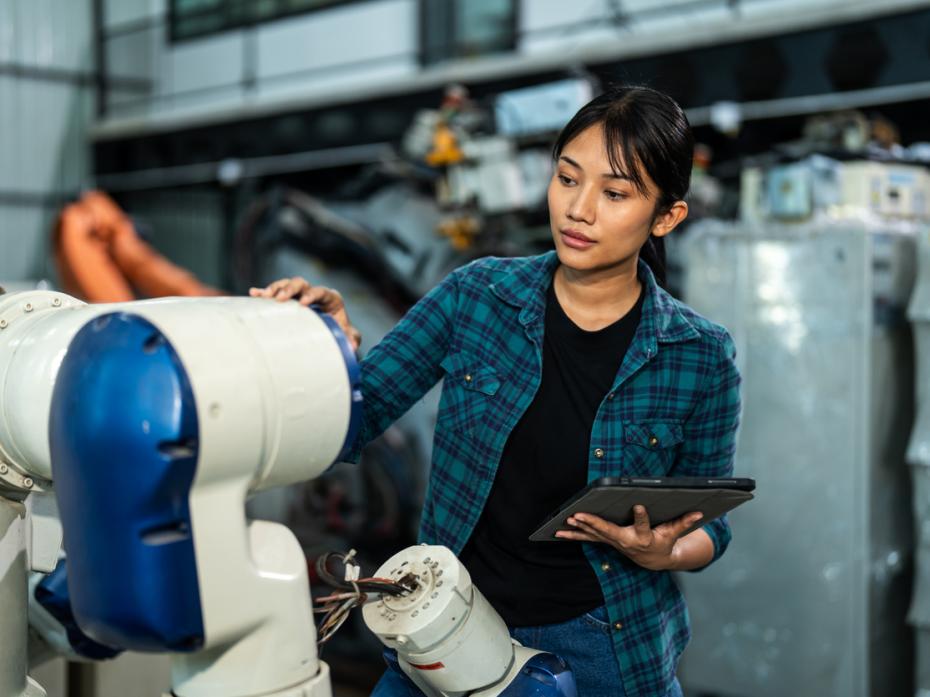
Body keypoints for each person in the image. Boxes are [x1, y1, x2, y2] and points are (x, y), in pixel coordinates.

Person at [251, 85, 742, 697]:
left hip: (603, 647)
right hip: (445, 625)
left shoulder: (699, 354)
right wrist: (327, 347)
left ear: (666, 217)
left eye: (614, 194)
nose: (579, 209)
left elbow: (710, 527)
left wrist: (664, 551)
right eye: (567, 179)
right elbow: (360, 413)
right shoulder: (476, 297)